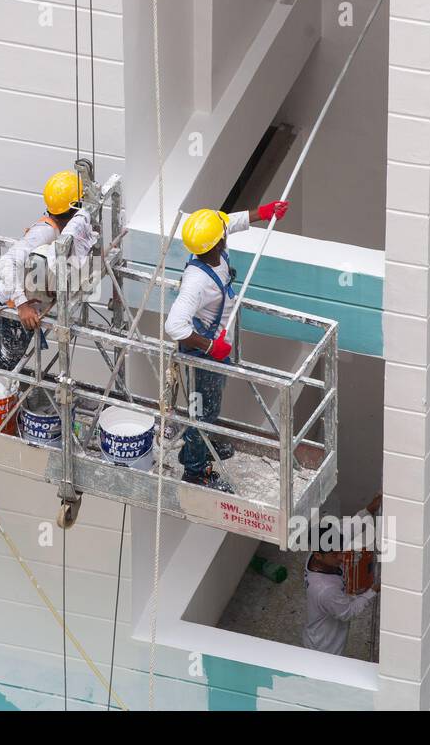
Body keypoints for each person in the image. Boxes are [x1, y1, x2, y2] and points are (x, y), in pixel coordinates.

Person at [163, 200, 288, 490]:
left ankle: (200, 448)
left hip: (215, 349)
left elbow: (227, 222)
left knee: (211, 406)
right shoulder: (197, 282)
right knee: (202, 413)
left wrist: (262, 213)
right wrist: (210, 347)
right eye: (221, 234)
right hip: (202, 356)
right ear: (216, 242)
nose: (224, 233)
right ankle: (195, 470)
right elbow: (174, 326)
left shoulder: (213, 249)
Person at [0, 170, 98, 371]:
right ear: (75, 207)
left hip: (31, 297)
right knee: (7, 360)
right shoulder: (44, 232)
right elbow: (6, 262)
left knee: (13, 359)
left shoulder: (62, 229)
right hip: (13, 300)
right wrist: (22, 305)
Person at [302, 494, 382, 656]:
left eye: (340, 551)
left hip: (318, 632)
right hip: (325, 646)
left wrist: (368, 510)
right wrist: (373, 590)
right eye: (335, 555)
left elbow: (349, 528)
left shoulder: (326, 547)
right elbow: (349, 612)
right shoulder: (325, 590)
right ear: (318, 555)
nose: (341, 557)